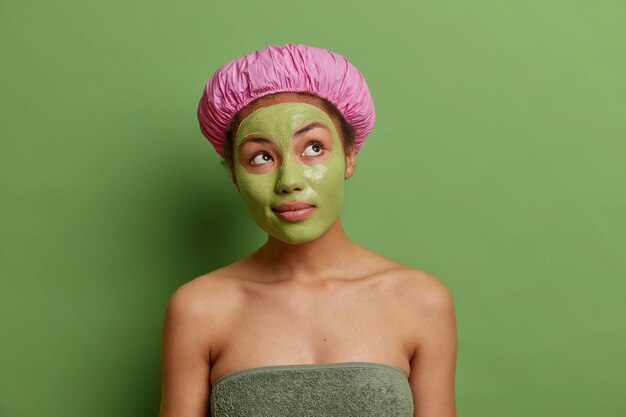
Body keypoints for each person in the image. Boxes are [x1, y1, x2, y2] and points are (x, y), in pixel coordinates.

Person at [159, 43, 457, 417]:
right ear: (235, 175)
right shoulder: (199, 309)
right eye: (261, 157)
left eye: (313, 148)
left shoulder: (420, 301)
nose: (289, 181)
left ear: (349, 156)